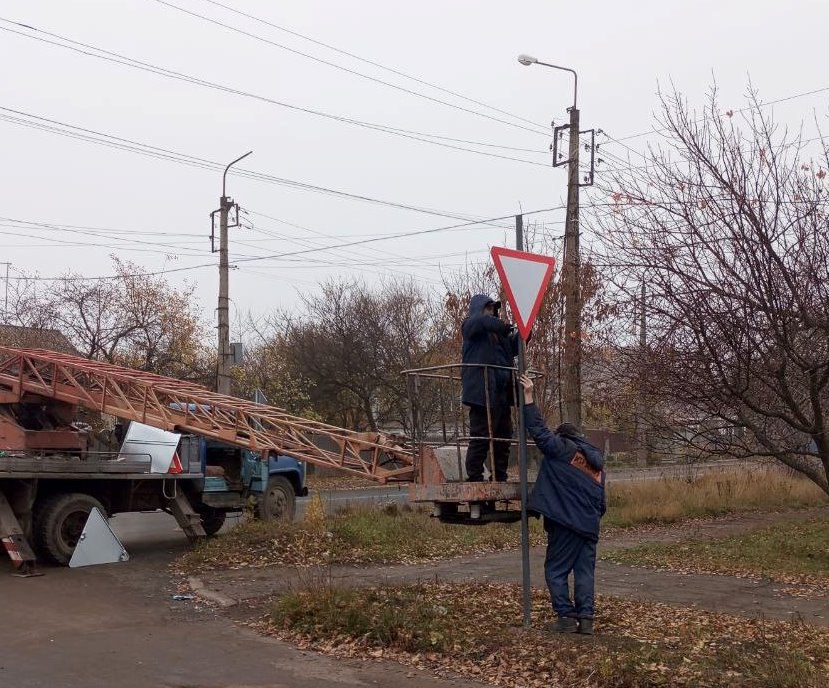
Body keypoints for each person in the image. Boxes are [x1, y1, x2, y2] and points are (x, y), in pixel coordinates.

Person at [519, 374, 606, 635]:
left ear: (564, 437)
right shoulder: (595, 464)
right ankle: (586, 619)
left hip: (566, 524)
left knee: (555, 570)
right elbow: (603, 502)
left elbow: (540, 432)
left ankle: (566, 618)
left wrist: (529, 397)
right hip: (589, 526)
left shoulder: (562, 449)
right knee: (584, 572)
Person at [460, 294, 520, 482]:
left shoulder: (500, 337)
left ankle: (499, 475)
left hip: (501, 393)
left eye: (493, 309)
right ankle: (475, 477)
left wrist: (526, 331)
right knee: (481, 437)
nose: (492, 313)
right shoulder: (471, 327)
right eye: (488, 308)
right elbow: (479, 322)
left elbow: (515, 346)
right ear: (479, 309)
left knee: (504, 436)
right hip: (481, 393)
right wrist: (501, 326)